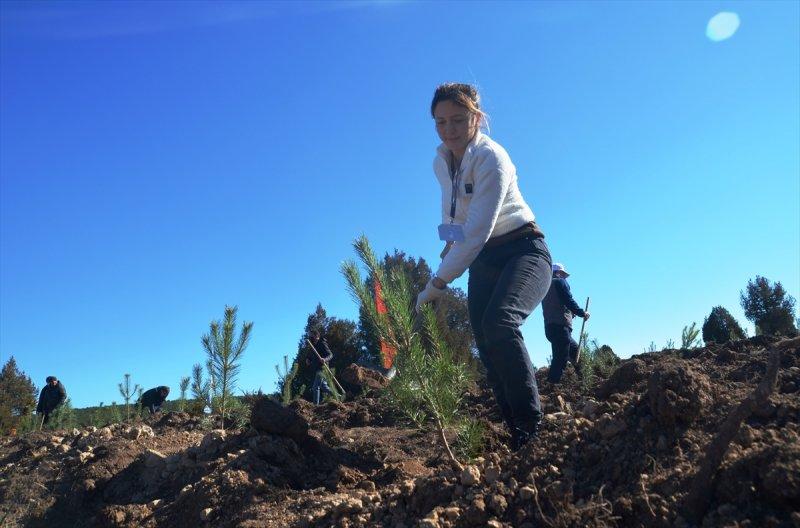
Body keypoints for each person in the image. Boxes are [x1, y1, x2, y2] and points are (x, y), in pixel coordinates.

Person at [415, 83, 552, 450]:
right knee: (484, 338)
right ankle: (515, 434)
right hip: (484, 259)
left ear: (476, 117)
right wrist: (447, 247)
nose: (450, 129)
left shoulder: (491, 158)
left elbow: (476, 233)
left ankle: (531, 429)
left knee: (500, 322)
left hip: (523, 249)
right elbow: (455, 215)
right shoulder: (440, 161)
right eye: (440, 122)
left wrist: (437, 285)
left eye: (458, 120)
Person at [542, 263, 590, 383]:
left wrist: (571, 313)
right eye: (563, 274)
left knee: (575, 351)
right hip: (560, 326)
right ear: (558, 273)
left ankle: (584, 380)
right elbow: (568, 300)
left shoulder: (544, 286)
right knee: (560, 358)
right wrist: (581, 313)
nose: (564, 277)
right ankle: (553, 385)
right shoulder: (559, 282)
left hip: (550, 328)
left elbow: (557, 304)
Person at [308, 329, 334, 405]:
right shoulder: (313, 345)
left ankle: (315, 406)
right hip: (317, 368)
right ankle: (339, 396)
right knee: (324, 387)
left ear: (316, 336)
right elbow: (312, 355)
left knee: (315, 387)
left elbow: (330, 355)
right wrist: (308, 359)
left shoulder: (322, 343)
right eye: (310, 336)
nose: (310, 337)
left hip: (323, 368)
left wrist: (325, 359)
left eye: (311, 336)